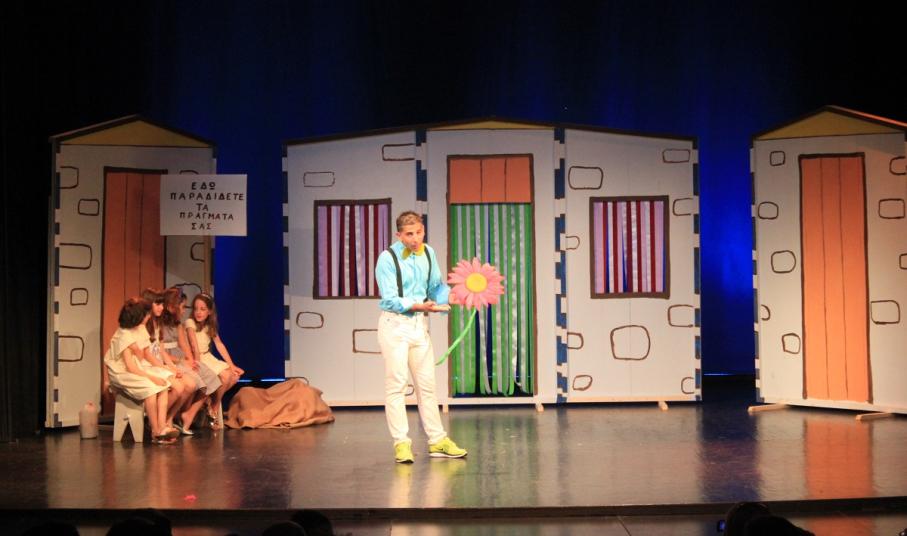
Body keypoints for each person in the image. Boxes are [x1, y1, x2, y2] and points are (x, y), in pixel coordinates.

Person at [375, 211, 467, 463]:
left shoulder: (428, 253)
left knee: (427, 386)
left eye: (418, 233)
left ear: (423, 230)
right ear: (399, 235)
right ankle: (401, 443)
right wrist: (418, 305)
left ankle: (437, 441)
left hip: (418, 326)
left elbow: (435, 287)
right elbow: (389, 299)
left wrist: (454, 297)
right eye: (409, 234)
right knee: (397, 386)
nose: (415, 239)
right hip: (395, 325)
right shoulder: (387, 258)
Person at [104, 297, 175, 443]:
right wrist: (151, 377)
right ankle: (155, 431)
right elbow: (130, 367)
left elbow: (142, 356)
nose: (148, 317)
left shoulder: (140, 328)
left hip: (137, 366)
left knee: (164, 384)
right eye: (146, 315)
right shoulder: (124, 335)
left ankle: (162, 427)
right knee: (151, 388)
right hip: (121, 372)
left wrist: (137, 351)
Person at [158, 288, 222, 435]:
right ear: (172, 307)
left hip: (180, 358)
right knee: (193, 383)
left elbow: (184, 346)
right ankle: (171, 416)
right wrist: (182, 361)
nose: (184, 311)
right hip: (168, 360)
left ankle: (186, 415)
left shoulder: (178, 324)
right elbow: (161, 352)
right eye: (182, 307)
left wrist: (191, 360)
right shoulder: (160, 325)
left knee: (211, 379)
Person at [185, 292, 244, 430]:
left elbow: (219, 344)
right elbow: (193, 345)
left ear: (210, 311)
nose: (198, 312)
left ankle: (212, 404)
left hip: (208, 357)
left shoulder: (210, 325)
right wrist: (198, 365)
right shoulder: (190, 323)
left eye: (202, 309)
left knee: (234, 376)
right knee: (225, 376)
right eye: (196, 308)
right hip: (197, 358)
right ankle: (214, 407)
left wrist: (232, 365)